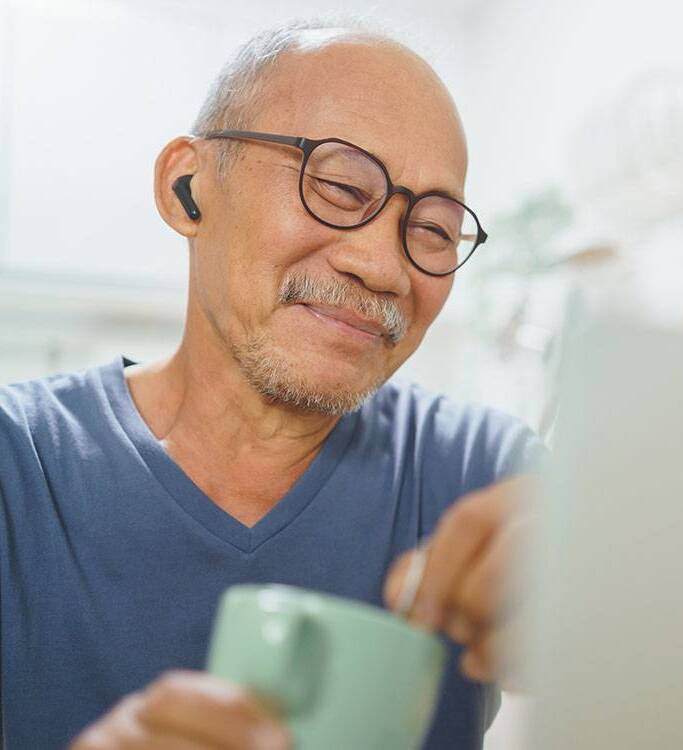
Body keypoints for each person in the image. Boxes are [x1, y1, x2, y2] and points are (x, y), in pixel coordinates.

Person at [0, 19, 543, 749]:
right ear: (188, 186)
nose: (383, 268)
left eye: (435, 231)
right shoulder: (19, 471)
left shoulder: (477, 472)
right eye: (340, 186)